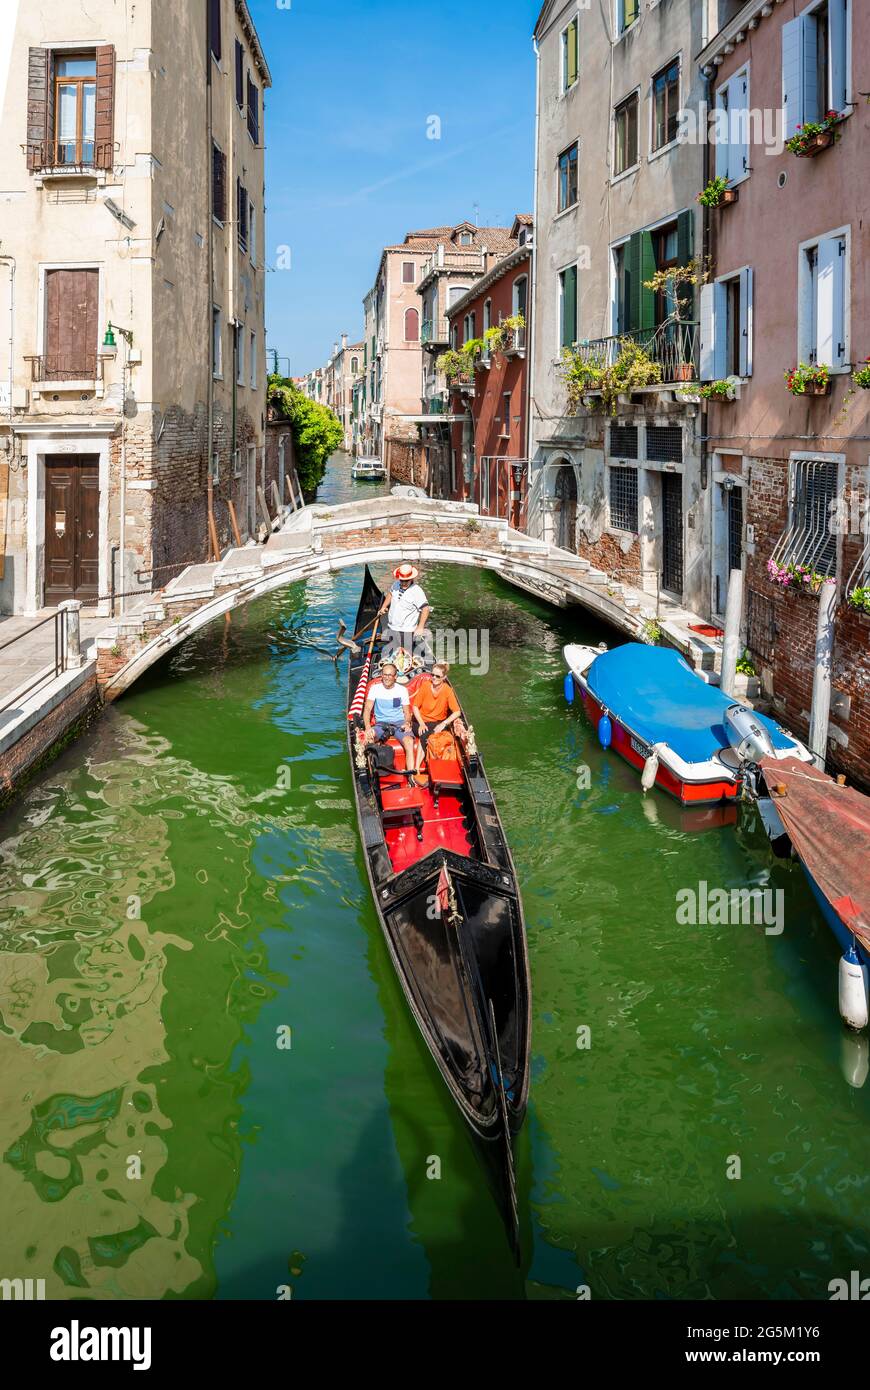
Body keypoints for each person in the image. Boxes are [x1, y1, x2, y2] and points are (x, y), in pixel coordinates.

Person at [411, 663, 465, 780]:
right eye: (432, 675)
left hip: (437, 723)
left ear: (444, 678)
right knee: (425, 733)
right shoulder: (426, 686)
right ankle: (416, 770)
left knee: (433, 733)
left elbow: (457, 712)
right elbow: (415, 707)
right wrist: (421, 723)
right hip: (419, 721)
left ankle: (438, 770)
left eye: (437, 676)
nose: (434, 678)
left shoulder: (447, 690)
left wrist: (444, 723)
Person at [363, 662, 416, 775]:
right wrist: (368, 727)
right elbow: (367, 709)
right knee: (369, 737)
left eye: (390, 675)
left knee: (409, 741)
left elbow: (407, 712)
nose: (386, 677)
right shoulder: (375, 689)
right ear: (381, 675)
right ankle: (373, 775)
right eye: (384, 674)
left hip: (399, 723)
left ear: (395, 677)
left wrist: (407, 722)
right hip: (381, 724)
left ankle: (410, 775)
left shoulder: (402, 690)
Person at [379, 564, 430, 662]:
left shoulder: (416, 591)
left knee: (406, 656)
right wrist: (384, 607)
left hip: (406, 630)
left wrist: (420, 627)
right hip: (392, 626)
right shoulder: (396, 584)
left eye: (406, 580)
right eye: (401, 580)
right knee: (394, 652)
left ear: (411, 578)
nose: (403, 582)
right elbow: (390, 593)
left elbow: (425, 609)